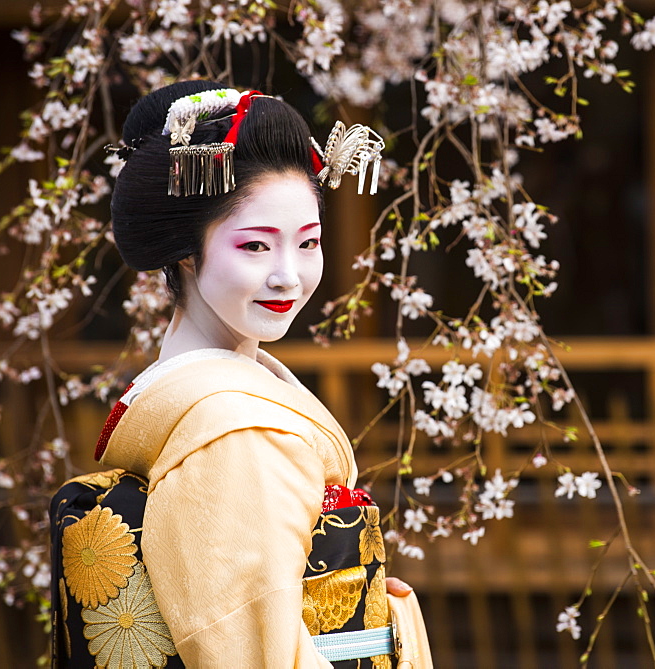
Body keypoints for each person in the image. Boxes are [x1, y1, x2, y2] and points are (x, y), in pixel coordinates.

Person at [49, 80, 431, 668]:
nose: (288, 276)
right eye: (255, 247)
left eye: (308, 243)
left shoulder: (206, 398)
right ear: (185, 251)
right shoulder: (236, 429)